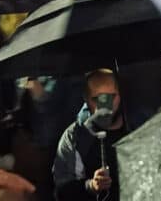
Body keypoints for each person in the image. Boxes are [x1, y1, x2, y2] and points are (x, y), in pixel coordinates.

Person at [53, 69, 127, 201]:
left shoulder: (136, 125)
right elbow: (63, 190)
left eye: (111, 96)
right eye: (97, 98)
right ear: (86, 99)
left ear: (120, 95)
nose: (105, 106)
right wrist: (91, 186)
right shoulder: (75, 137)